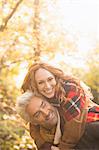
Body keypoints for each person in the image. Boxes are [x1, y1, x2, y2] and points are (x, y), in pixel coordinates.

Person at [16, 91, 99, 150]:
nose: (46, 113)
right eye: (37, 114)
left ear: (49, 102)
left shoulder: (83, 122)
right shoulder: (43, 143)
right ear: (34, 122)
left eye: (43, 105)